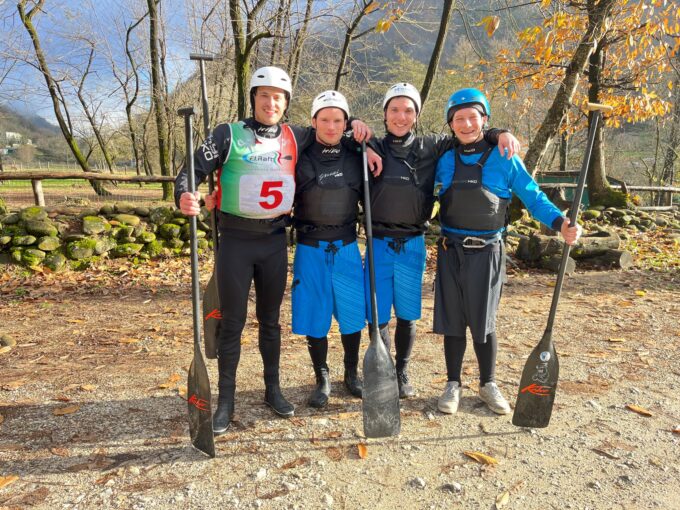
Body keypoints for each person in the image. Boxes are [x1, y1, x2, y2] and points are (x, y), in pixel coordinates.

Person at [174, 67, 371, 435]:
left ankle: (273, 390)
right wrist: (186, 195)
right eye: (264, 95)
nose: (271, 102)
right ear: (253, 98)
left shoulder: (297, 136)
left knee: (270, 321)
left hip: (275, 241)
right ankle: (226, 401)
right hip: (235, 240)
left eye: (278, 97)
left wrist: (357, 123)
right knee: (232, 323)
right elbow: (190, 169)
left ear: (286, 103)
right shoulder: (227, 133)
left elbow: (333, 127)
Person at [365, 83, 520, 399]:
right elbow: (335, 133)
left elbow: (468, 135)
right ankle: (380, 373)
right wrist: (360, 137)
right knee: (379, 313)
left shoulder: (431, 147)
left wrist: (497, 133)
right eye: (394, 109)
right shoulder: (373, 147)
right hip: (378, 240)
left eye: (408, 110)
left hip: (412, 242)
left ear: (417, 115)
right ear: (384, 114)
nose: (401, 116)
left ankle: (402, 371)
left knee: (407, 314)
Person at [433, 88, 581, 415]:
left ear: (485, 120)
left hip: (487, 252)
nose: (467, 123)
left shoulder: (504, 157)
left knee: (483, 321)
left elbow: (533, 196)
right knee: (453, 321)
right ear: (451, 124)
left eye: (474, 117)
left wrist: (560, 223)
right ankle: (453, 383)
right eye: (459, 119)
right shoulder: (443, 159)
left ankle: (488, 383)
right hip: (450, 250)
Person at [291, 90, 369, 408]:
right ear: (313, 122)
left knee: (352, 317)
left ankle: (351, 374)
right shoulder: (299, 151)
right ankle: (322, 377)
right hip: (310, 248)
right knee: (314, 317)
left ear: (346, 123)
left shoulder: (357, 153)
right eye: (325, 119)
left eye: (338, 120)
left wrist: (364, 137)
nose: (331, 126)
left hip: (347, 248)